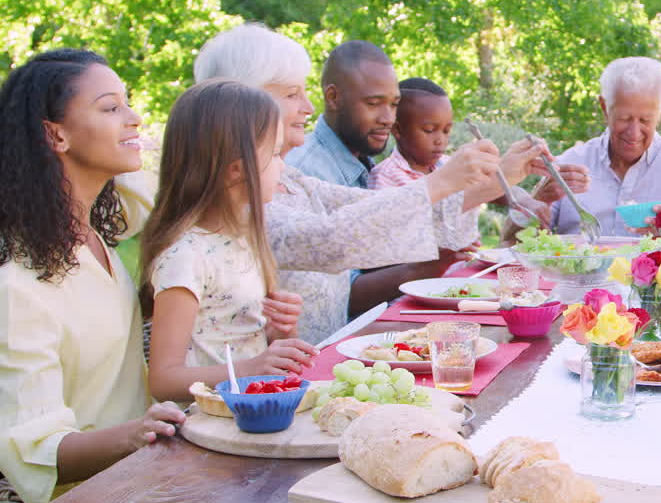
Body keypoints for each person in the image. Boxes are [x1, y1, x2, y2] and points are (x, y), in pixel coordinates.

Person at [193, 27, 545, 342]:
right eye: (291, 94)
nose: (308, 105)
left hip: (323, 355)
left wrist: (492, 179)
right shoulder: (240, 192)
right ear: (241, 104)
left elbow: (365, 207)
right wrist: (445, 180)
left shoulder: (289, 176)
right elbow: (332, 240)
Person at [0, 50, 185, 503]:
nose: (135, 118)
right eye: (110, 108)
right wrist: (136, 433)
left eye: (128, 103)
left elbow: (165, 182)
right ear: (55, 133)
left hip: (151, 488)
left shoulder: (99, 230)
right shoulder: (17, 289)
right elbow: (41, 452)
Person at [141, 80, 317, 402]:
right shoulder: (186, 257)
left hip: (253, 411)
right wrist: (255, 366)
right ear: (237, 170)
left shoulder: (243, 240)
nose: (283, 166)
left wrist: (280, 332)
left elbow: (238, 341)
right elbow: (164, 381)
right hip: (208, 427)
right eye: (275, 154)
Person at [509, 56, 661, 253]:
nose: (634, 133)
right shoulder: (569, 164)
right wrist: (540, 198)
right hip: (578, 287)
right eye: (624, 118)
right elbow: (512, 244)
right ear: (604, 107)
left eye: (645, 120)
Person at [371, 77, 479, 247]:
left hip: (464, 267)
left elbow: (487, 187)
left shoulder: (450, 166)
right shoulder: (385, 178)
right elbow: (388, 243)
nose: (440, 140)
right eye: (429, 130)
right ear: (398, 130)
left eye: (446, 131)